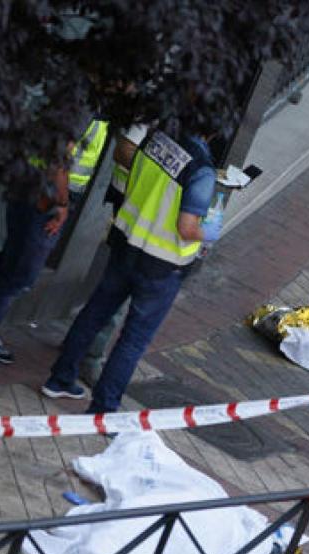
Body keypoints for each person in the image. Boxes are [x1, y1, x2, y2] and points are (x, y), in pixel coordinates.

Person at [42, 128, 222, 412]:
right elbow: (187, 228)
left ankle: (59, 379)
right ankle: (103, 409)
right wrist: (210, 232)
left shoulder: (156, 139)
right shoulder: (202, 170)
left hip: (127, 243)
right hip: (162, 265)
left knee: (94, 313)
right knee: (133, 340)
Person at [0, 117, 109, 382]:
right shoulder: (83, 108)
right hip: (45, 198)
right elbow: (58, 159)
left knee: (9, 268)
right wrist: (61, 204)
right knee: (19, 275)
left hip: (36, 191)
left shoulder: (86, 105)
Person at [79, 123, 148, 386]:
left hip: (139, 211)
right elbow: (124, 150)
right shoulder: (159, 112)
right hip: (131, 209)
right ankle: (89, 356)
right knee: (115, 295)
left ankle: (80, 346)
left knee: (110, 291)